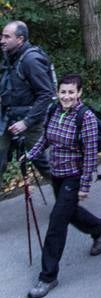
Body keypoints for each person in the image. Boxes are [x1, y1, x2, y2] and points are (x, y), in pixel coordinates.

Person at [25, 74, 101, 298]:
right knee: (69, 213)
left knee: (56, 223)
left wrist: (85, 185)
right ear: (57, 92)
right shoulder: (53, 110)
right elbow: (45, 140)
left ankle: (48, 276)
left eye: (71, 92)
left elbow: (91, 154)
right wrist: (30, 155)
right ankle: (100, 228)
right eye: (63, 92)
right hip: (57, 174)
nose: (66, 96)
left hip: (74, 175)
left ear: (79, 93)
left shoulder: (86, 117)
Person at [0, 21, 54, 189]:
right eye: (2, 35)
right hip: (8, 118)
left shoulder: (31, 60)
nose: (2, 40)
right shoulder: (9, 56)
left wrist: (26, 122)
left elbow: (46, 94)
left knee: (42, 163)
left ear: (20, 39)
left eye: (7, 36)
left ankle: (68, 192)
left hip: (30, 122)